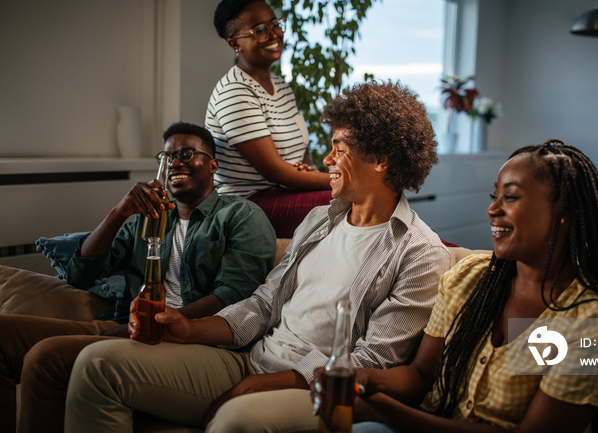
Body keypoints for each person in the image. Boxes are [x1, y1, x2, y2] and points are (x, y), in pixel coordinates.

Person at [64, 81, 451, 432]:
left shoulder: (420, 253)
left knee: (236, 420)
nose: (328, 160)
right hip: (250, 358)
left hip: (318, 389)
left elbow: (373, 360)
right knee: (98, 363)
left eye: (339, 149)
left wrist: (260, 385)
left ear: (381, 160)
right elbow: (265, 304)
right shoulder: (320, 220)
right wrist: (188, 328)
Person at [318, 140, 598, 432]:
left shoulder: (592, 325)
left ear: (564, 212)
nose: (492, 210)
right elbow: (421, 376)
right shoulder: (469, 277)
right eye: (494, 197)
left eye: (510, 197)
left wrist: (386, 411)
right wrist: (362, 378)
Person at [0, 122, 276, 433]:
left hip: (187, 337)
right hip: (124, 324)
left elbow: (236, 294)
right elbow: (81, 274)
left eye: (187, 153)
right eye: (168, 157)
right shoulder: (151, 217)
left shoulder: (241, 215)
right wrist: (120, 212)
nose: (176, 163)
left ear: (213, 164)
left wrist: (158, 324)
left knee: (45, 357)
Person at [206, 0, 333, 238]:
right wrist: (342, 180)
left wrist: (309, 172)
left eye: (275, 24)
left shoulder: (282, 87)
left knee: (365, 195)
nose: (274, 34)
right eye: (260, 30)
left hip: (282, 193)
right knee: (354, 198)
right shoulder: (234, 91)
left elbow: (302, 151)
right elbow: (274, 171)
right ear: (235, 43)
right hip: (246, 205)